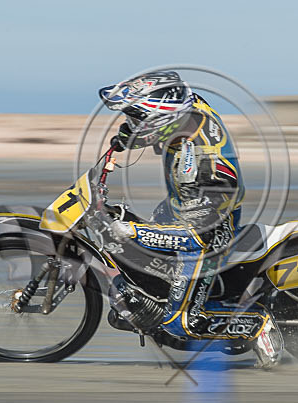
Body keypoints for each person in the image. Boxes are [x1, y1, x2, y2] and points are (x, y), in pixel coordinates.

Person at [99, 70, 281, 367]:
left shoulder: (204, 167)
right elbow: (169, 95)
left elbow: (197, 235)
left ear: (162, 119)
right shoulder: (189, 108)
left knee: (181, 324)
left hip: (210, 231)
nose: (133, 123)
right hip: (185, 207)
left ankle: (256, 324)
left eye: (137, 118)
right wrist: (127, 137)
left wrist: (130, 231)